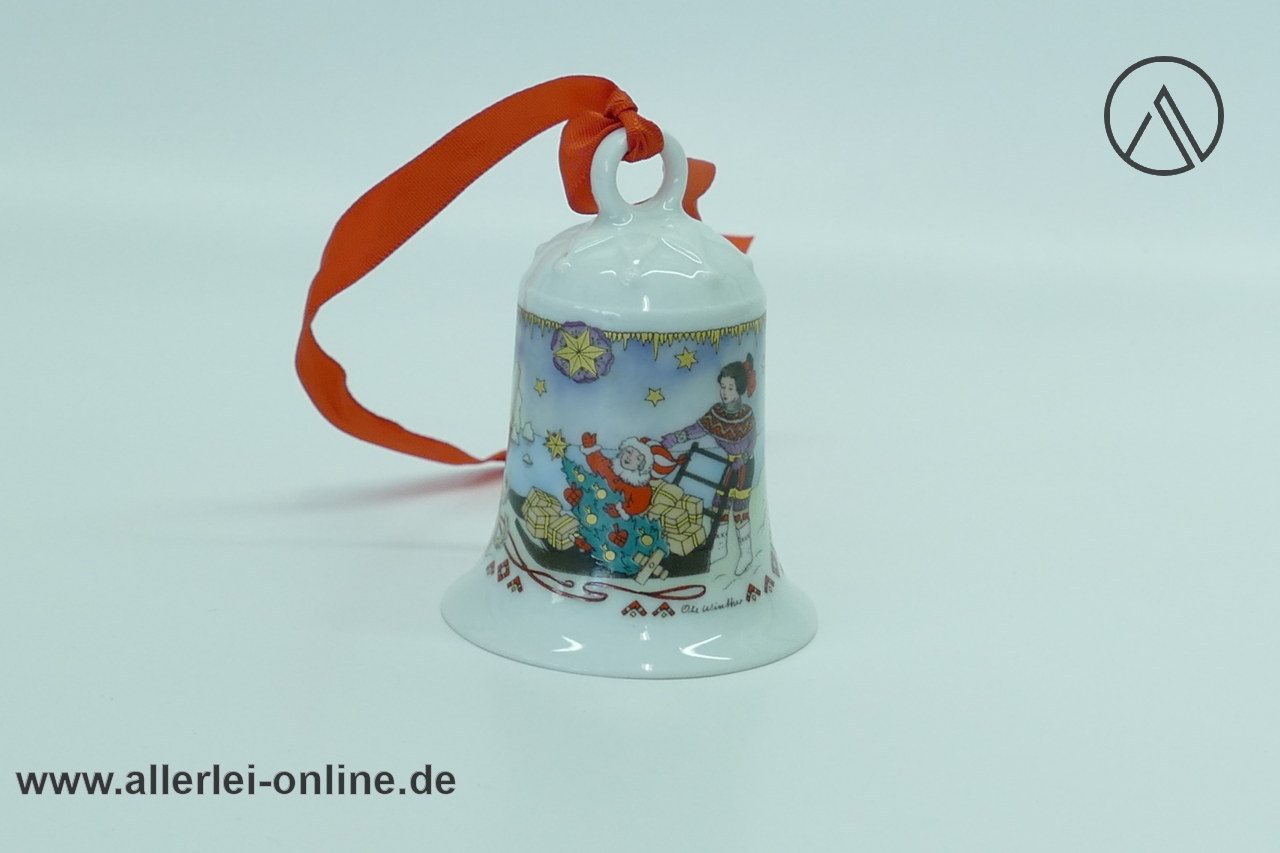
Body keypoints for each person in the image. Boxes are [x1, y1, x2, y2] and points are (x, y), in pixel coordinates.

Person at [661, 356, 757, 574]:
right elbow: (698, 429)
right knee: (719, 504)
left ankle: (746, 553)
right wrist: (677, 437)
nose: (725, 392)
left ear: (739, 389)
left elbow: (751, 441)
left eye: (730, 388)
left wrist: (743, 457)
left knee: (739, 508)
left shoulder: (747, 415)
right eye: (723, 387)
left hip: (744, 465)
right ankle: (720, 548)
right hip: (729, 464)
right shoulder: (716, 414)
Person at [580, 432, 654, 518]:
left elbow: (639, 505)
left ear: (642, 465)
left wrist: (620, 510)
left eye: (637, 458)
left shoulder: (641, 487)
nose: (629, 458)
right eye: (628, 452)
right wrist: (590, 447)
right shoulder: (611, 467)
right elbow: (598, 463)